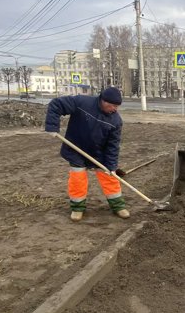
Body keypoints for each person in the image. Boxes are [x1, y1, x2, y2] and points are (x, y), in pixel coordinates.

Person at [45, 87, 129, 222]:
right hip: (76, 148)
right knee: (77, 177)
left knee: (109, 176)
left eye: (117, 106)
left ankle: (118, 206)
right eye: (112, 105)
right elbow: (56, 104)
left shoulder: (116, 121)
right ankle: (77, 208)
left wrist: (111, 165)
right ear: (103, 100)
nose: (114, 109)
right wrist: (52, 126)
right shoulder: (82, 103)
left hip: (99, 152)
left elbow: (113, 146)